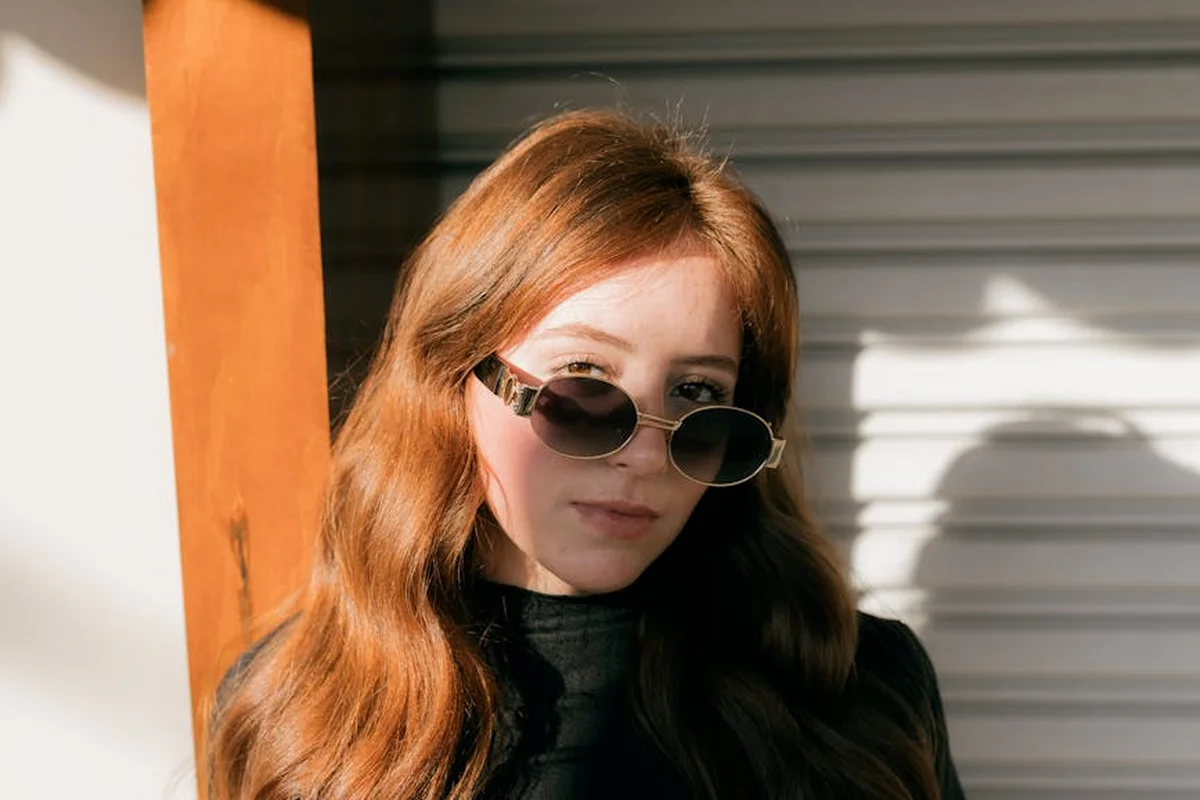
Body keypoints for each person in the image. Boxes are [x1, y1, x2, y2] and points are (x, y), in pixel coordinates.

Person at [205, 108, 965, 799]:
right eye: (585, 382)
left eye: (697, 395)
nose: (643, 455)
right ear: (453, 379)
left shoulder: (860, 695)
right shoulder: (298, 718)